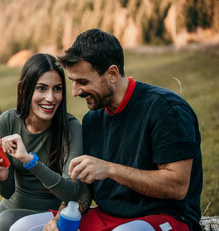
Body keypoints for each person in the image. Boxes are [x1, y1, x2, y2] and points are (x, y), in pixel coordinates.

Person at [13, 29, 203, 231]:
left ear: (112, 73)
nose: (75, 91)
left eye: (83, 82)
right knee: (23, 227)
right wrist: (62, 215)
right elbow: (84, 191)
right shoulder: (92, 120)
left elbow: (178, 186)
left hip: (166, 217)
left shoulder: (166, 109)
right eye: (73, 82)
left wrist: (110, 169)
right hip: (107, 217)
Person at [0, 53, 83, 231]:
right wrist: (2, 177)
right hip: (10, 207)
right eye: (41, 88)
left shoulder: (71, 128)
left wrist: (30, 160)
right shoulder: (7, 121)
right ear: (23, 88)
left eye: (57, 89)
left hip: (49, 212)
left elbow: (72, 192)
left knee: (6, 220)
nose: (51, 97)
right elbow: (7, 192)